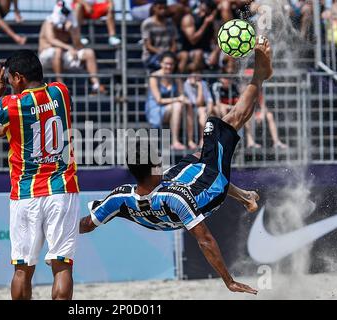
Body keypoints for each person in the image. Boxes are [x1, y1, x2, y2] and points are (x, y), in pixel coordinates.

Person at [80, 36, 273, 295]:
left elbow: (87, 225)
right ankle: (260, 76)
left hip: (173, 188)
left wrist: (54, 228)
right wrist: (230, 281)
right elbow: (205, 240)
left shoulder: (121, 196)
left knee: (200, 148)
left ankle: (245, 197)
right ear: (154, 169)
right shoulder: (176, 197)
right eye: (158, 160)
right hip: (210, 184)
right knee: (226, 121)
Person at [0, 50, 80, 300]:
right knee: (62, 266)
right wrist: (10, 129)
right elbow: (42, 119)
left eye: (9, 79)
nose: (8, 83)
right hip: (62, 189)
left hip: (25, 194)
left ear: (19, 78)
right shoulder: (61, 92)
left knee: (22, 270)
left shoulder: (10, 105)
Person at [38, 2, 106, 95]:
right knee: (58, 50)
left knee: (89, 53)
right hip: (46, 56)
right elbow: (51, 40)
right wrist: (68, 47)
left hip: (64, 55)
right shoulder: (49, 22)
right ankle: (60, 85)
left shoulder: (69, 23)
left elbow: (78, 45)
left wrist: (72, 30)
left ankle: (96, 85)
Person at [146, 51, 196, 151]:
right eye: (166, 63)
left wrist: (185, 100)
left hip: (171, 108)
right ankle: (175, 141)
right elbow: (159, 100)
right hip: (155, 109)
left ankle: (190, 140)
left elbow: (182, 95)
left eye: (171, 64)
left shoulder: (175, 77)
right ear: (160, 63)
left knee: (187, 104)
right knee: (177, 105)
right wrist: (178, 99)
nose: (169, 66)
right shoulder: (154, 77)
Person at [178, 0, 219, 73]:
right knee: (198, 53)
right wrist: (205, 24)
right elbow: (193, 40)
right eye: (201, 10)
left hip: (206, 51)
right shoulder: (189, 18)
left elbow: (218, 41)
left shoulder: (212, 21)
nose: (202, 14)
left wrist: (215, 52)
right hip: (188, 51)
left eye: (205, 12)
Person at [141, 0, 181, 72]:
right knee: (165, 65)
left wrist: (169, 54)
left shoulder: (170, 23)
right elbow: (148, 46)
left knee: (183, 57)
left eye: (164, 8)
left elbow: (174, 43)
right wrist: (164, 55)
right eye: (160, 8)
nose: (162, 11)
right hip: (152, 56)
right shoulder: (147, 23)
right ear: (154, 8)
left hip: (169, 54)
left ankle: (179, 81)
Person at [184, 74, 215, 147]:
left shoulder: (203, 83)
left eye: (198, 74)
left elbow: (209, 99)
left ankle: (202, 139)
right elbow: (197, 102)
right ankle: (190, 141)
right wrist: (200, 87)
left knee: (203, 113)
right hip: (189, 108)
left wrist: (209, 110)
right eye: (194, 75)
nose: (197, 77)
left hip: (201, 108)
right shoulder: (186, 84)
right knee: (194, 111)